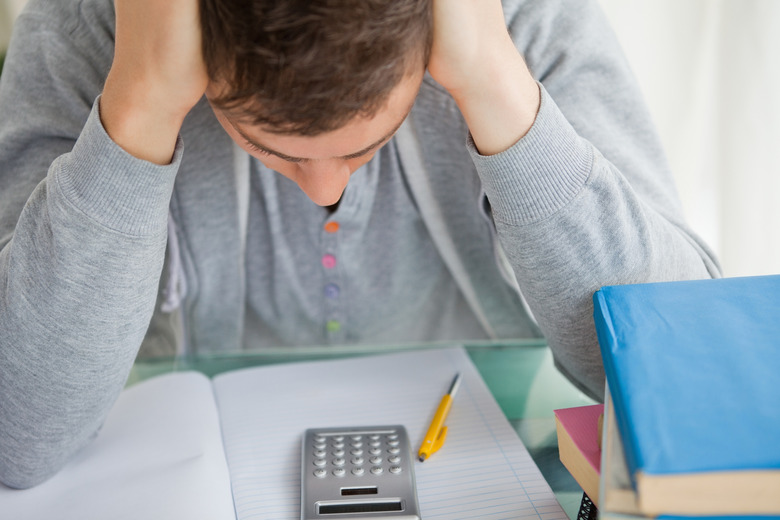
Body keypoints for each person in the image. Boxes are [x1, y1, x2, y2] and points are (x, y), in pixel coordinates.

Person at [0, 0, 720, 489]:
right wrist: (141, 101)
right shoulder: (88, 26)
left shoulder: (518, 17)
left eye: (368, 143)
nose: (324, 192)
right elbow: (18, 435)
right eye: (264, 144)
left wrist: (494, 84)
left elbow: (692, 384)